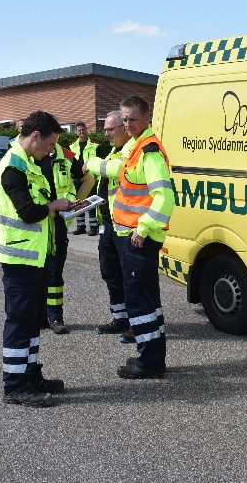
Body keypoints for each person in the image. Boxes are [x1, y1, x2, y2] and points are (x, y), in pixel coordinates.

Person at [0, 111, 71, 407]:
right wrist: (54, 205)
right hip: (18, 256)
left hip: (34, 256)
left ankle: (32, 376)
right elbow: (27, 211)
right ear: (35, 136)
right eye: (50, 145)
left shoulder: (28, 162)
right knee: (20, 321)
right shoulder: (13, 167)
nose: (51, 151)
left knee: (34, 321)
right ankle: (14, 386)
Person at [113, 95, 174, 379]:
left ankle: (149, 362)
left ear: (147, 117)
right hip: (135, 235)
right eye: (124, 118)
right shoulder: (136, 147)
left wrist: (143, 227)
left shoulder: (149, 151)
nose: (127, 124)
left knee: (140, 301)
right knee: (148, 301)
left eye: (133, 118)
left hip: (140, 238)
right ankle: (151, 356)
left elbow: (165, 198)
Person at [37, 138, 94, 334]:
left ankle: (55, 317)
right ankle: (38, 316)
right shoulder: (27, 154)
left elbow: (89, 179)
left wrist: (77, 204)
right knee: (35, 273)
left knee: (54, 273)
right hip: (34, 222)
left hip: (58, 223)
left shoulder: (67, 155)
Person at [86, 111, 135, 337]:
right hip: (108, 223)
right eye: (104, 129)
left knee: (130, 276)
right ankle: (120, 318)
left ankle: (136, 323)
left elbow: (112, 169)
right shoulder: (115, 149)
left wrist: (92, 162)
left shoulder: (131, 148)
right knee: (110, 272)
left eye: (110, 129)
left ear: (124, 128)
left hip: (125, 226)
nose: (106, 134)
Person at [70, 122, 100, 236]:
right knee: (78, 202)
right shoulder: (72, 146)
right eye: (79, 130)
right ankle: (81, 226)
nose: (81, 132)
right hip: (77, 179)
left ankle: (93, 227)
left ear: (86, 130)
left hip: (90, 178)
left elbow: (98, 159)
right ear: (76, 132)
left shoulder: (95, 144)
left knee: (91, 202)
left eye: (83, 129)